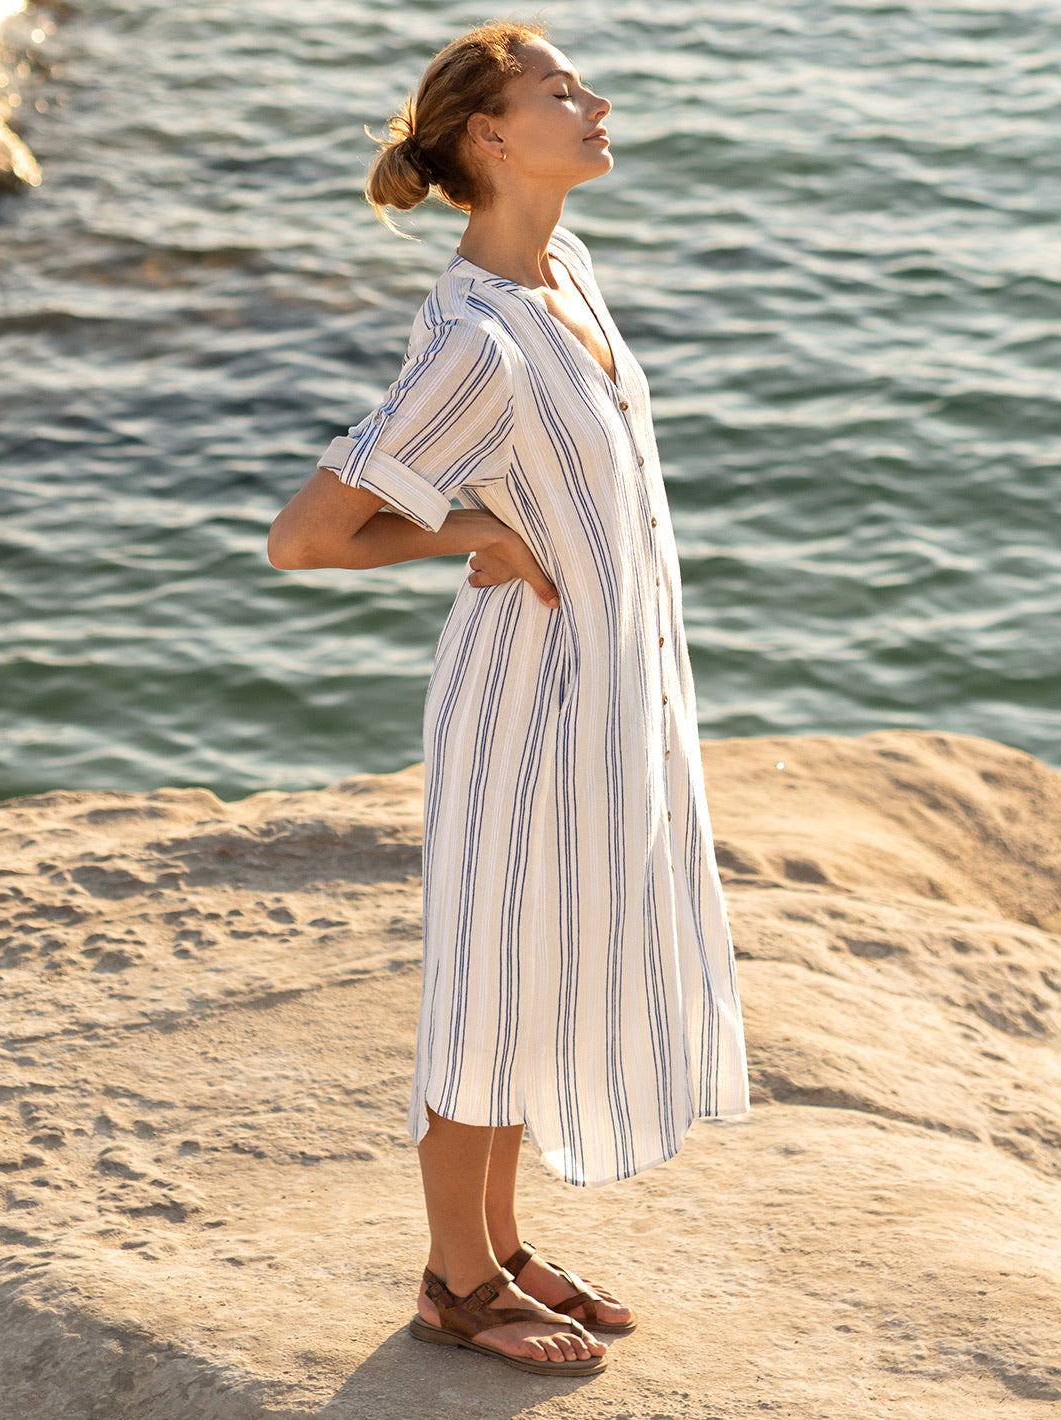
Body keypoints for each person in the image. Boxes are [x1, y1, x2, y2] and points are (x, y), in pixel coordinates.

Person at [268, 20, 750, 1377]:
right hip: (521, 709)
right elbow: (306, 536)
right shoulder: (475, 337)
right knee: (487, 987)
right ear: (489, 136)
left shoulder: (565, 278)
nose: (594, 103)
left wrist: (505, 520)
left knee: (535, 976)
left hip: (600, 695)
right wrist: (467, 529)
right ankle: (452, 1280)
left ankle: (497, 1238)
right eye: (560, 91)